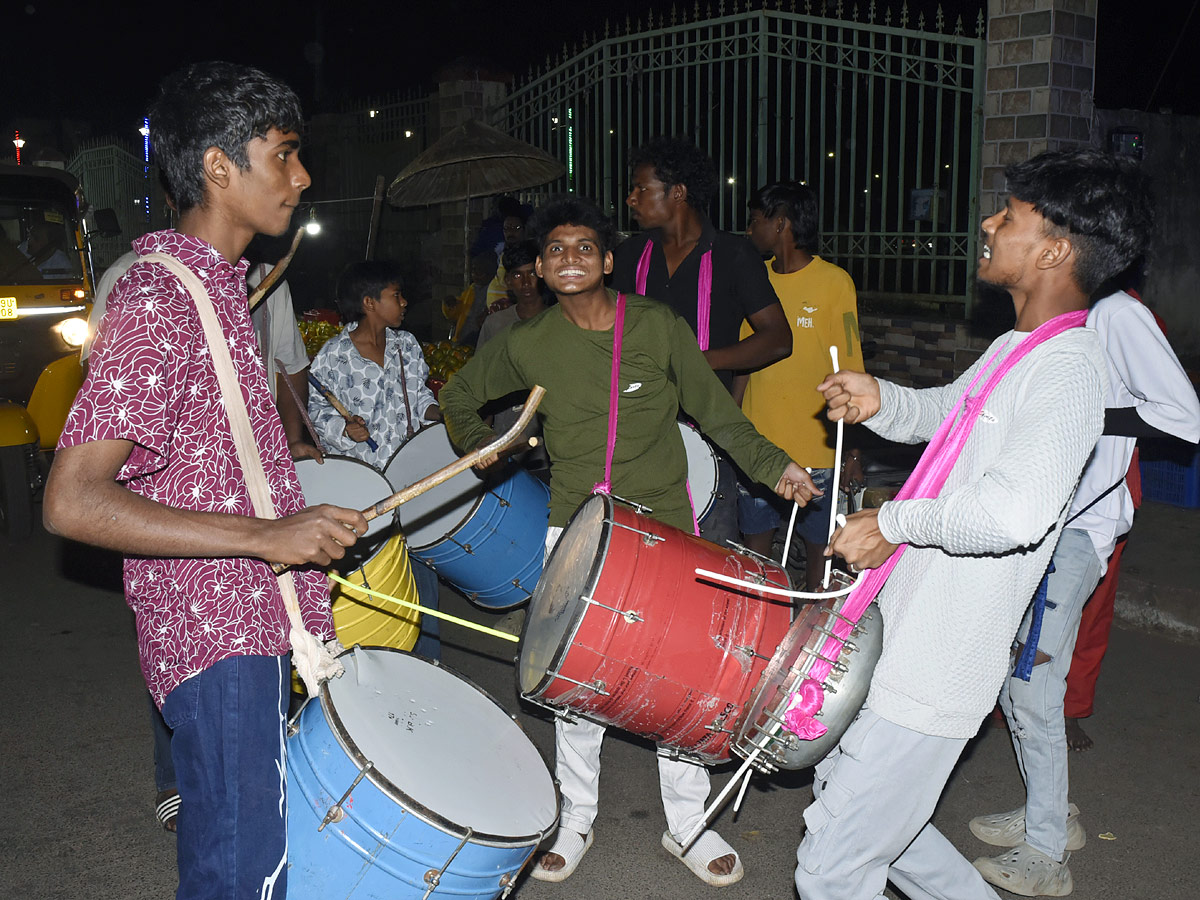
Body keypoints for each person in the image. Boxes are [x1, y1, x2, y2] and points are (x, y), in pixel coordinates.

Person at [42, 61, 368, 899]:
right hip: (211, 634)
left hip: (253, 620)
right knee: (237, 874)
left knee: (261, 862)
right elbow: (72, 499)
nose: (303, 177)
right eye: (285, 154)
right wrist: (265, 537)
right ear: (219, 167)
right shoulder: (159, 297)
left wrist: (289, 518)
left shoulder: (219, 290)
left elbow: (206, 467)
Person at [797, 148, 1153, 900]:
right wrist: (880, 400)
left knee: (832, 867)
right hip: (905, 631)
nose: (989, 223)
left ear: (1054, 250)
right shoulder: (1018, 348)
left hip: (938, 660)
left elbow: (1015, 512)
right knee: (872, 823)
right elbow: (946, 417)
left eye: (1010, 216)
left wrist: (893, 522)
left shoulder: (1068, 371)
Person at [440, 196, 817, 887]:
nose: (570, 259)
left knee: (688, 678)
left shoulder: (655, 326)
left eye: (585, 247)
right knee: (576, 684)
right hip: (577, 527)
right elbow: (459, 398)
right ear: (542, 269)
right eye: (556, 250)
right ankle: (575, 816)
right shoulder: (529, 342)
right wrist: (485, 449)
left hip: (667, 529)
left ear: (609, 261)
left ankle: (688, 825)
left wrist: (778, 468)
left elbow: (716, 414)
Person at [971, 283, 1199, 896]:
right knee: (1018, 685)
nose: (992, 230)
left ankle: (1046, 854)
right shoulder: (1067, 319)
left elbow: (1184, 416)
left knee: (1034, 690)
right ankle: (1052, 813)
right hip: (1044, 524)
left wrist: (1087, 414)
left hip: (1075, 534)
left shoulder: (1116, 314)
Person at [611, 137, 791, 546]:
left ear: (678, 193)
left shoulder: (733, 255)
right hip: (640, 429)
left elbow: (779, 338)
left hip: (710, 432)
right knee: (639, 551)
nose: (631, 198)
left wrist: (698, 362)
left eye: (642, 188)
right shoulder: (629, 256)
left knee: (708, 556)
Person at [308, 259, 444, 658]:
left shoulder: (407, 346)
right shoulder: (334, 356)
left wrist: (442, 416)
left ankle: (428, 658)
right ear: (369, 302)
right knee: (372, 573)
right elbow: (318, 414)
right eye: (395, 295)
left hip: (406, 476)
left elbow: (421, 400)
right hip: (362, 482)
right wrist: (344, 431)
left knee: (421, 567)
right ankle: (369, 656)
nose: (404, 302)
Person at [736, 181, 865, 588]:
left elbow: (851, 369)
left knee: (819, 560)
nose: (749, 230)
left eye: (755, 221)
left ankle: (810, 640)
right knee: (757, 555)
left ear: (781, 224)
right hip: (759, 446)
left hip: (817, 448)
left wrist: (852, 451)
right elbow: (745, 358)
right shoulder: (753, 280)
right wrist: (731, 430)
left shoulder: (834, 282)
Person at [442, 251, 498, 345]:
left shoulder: (494, 291)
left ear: (489, 272)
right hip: (463, 340)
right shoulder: (471, 290)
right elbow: (457, 314)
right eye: (473, 270)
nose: (474, 273)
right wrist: (450, 305)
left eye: (479, 270)